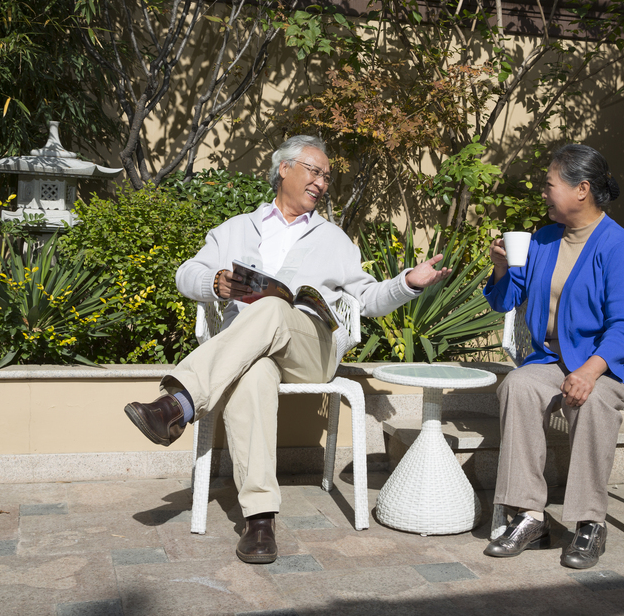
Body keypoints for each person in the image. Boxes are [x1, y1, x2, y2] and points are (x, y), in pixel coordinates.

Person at [124, 135, 452, 565]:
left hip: (309, 350)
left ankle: (179, 403)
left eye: (326, 177)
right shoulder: (237, 228)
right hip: (250, 351)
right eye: (314, 171)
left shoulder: (333, 239)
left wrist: (408, 283)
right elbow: (186, 274)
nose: (321, 182)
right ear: (284, 169)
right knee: (253, 373)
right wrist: (215, 283)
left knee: (276, 307)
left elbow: (368, 299)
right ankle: (260, 520)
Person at [481, 143, 624, 570]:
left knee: (590, 400)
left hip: (610, 363)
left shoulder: (618, 246)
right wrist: (501, 268)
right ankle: (529, 516)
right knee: (518, 386)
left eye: (550, 184)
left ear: (582, 190)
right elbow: (505, 302)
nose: (544, 192)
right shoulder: (542, 239)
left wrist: (591, 371)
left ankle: (590, 523)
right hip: (554, 359)